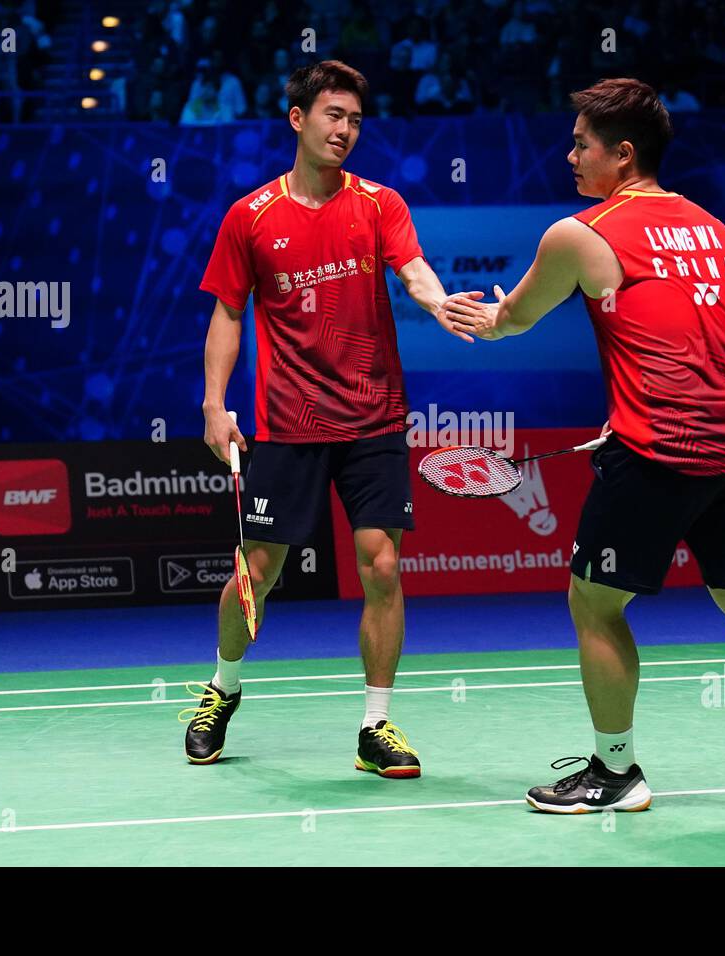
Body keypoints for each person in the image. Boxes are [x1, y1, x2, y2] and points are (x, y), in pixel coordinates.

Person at [443, 78, 725, 816]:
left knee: (594, 603)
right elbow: (704, 342)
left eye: (583, 143)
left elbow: (513, 319)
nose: (570, 154)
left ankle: (615, 773)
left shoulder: (580, 233)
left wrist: (471, 316)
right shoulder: (713, 228)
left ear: (624, 154)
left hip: (661, 454)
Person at [186, 60, 470, 776]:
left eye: (354, 121)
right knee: (258, 570)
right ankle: (223, 687)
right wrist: (215, 405)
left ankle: (376, 725)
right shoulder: (250, 217)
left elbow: (413, 268)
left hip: (373, 417)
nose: (344, 131)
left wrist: (438, 303)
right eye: (332, 116)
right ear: (299, 119)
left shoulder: (379, 204)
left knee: (382, 564)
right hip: (287, 423)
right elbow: (227, 313)